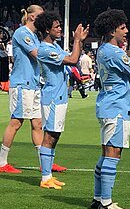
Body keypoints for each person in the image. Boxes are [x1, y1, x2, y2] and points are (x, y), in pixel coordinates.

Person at [91, 9, 130, 209]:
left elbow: (128, 68)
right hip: (116, 107)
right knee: (113, 153)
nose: (127, 31)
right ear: (111, 31)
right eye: (122, 28)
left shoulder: (104, 50)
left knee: (107, 151)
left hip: (109, 105)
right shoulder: (114, 52)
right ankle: (106, 202)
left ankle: (99, 197)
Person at [0, 5, 66, 174]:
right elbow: (38, 54)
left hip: (34, 84)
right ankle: (2, 162)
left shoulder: (35, 36)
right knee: (16, 122)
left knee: (37, 124)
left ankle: (45, 162)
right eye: (40, 16)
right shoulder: (22, 33)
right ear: (31, 17)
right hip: (23, 83)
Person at [35, 12, 89, 189]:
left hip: (59, 96)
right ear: (46, 29)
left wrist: (79, 42)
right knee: (49, 136)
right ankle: (45, 177)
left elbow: (73, 59)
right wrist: (77, 40)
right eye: (56, 26)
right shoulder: (44, 49)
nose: (60, 29)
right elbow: (73, 60)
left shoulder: (55, 47)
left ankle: (48, 174)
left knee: (55, 135)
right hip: (52, 98)